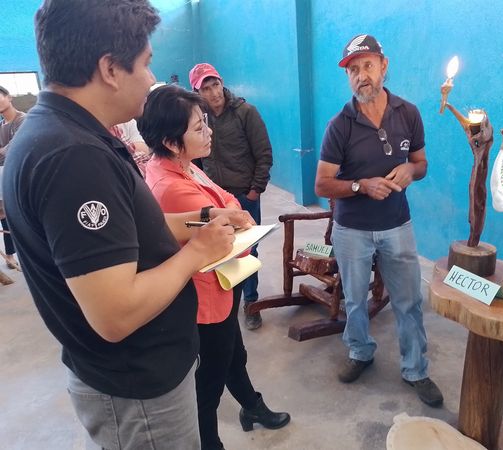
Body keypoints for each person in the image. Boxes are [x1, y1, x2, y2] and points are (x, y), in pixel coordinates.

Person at [2, 1, 246, 448]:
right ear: (110, 69)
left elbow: (133, 230)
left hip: (135, 377)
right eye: (146, 63)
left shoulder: (65, 133)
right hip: (137, 389)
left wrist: (204, 219)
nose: (152, 79)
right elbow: (116, 314)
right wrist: (197, 252)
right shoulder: (74, 158)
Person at [139, 85, 290, 450]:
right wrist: (230, 214)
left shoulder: (184, 166)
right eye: (198, 128)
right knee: (208, 383)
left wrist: (230, 211)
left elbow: (228, 200)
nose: (209, 132)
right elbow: (232, 233)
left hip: (220, 286)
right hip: (204, 296)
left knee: (234, 355)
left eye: (205, 123)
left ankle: (252, 406)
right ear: (171, 142)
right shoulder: (170, 186)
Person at [314, 34, 444, 407]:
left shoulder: (408, 114)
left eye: (367, 66)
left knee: (409, 300)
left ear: (384, 66)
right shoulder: (340, 125)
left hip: (397, 224)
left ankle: (416, 369)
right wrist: (360, 185)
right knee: (355, 300)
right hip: (352, 230)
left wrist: (410, 171)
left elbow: (421, 164)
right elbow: (322, 183)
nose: (361, 76)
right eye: (353, 70)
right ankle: (360, 352)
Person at [189, 63, 273, 330]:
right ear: (197, 92)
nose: (213, 92)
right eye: (205, 88)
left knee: (248, 250)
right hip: (212, 200)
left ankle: (251, 303)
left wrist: (254, 191)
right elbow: (195, 159)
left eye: (215, 84)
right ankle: (229, 304)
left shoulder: (245, 112)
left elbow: (264, 154)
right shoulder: (198, 120)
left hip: (244, 196)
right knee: (220, 251)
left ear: (222, 83)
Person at [0, 85, 26, 269]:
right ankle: (10, 254)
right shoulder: (2, 126)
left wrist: (3, 151)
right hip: (3, 175)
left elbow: (13, 150)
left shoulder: (24, 120)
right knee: (5, 216)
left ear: (9, 97)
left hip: (19, 175)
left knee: (17, 216)